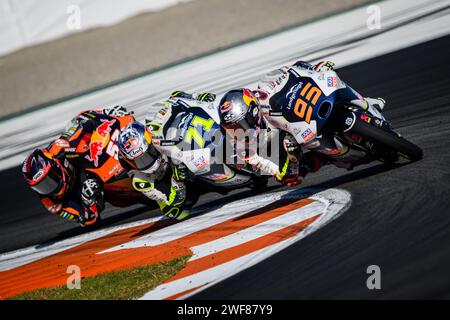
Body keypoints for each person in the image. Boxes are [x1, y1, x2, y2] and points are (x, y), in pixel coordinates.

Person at [218, 60, 387, 181]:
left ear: (253, 112)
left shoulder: (265, 89)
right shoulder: (244, 148)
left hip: (303, 115)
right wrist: (287, 164)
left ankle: (364, 101)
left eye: (239, 124)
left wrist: (314, 69)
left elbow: (292, 70)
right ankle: (336, 156)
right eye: (231, 127)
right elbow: (274, 171)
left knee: (332, 79)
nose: (237, 130)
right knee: (304, 167)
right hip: (290, 149)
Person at [22, 106, 132, 227]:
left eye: (49, 179)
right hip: (105, 193)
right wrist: (88, 200)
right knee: (122, 197)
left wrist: (108, 113)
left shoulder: (57, 148)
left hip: (100, 162)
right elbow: (86, 220)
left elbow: (80, 119)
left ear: (56, 166)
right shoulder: (53, 204)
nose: (48, 189)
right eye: (41, 187)